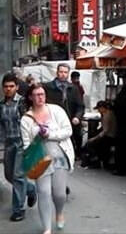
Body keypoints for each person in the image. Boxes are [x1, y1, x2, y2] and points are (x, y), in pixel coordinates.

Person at [21, 84, 75, 234]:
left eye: (42, 94)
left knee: (59, 194)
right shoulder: (26, 119)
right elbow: (26, 144)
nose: (40, 97)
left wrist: (49, 134)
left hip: (59, 156)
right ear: (30, 97)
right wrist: (37, 138)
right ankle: (47, 228)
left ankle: (59, 212)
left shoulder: (56, 110)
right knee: (43, 192)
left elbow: (68, 130)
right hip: (40, 159)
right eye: (37, 95)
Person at [0, 73, 37, 222]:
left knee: (17, 175)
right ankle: (30, 189)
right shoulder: (1, 105)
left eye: (11, 86)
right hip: (8, 143)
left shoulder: (23, 103)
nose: (8, 89)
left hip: (23, 142)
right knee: (9, 175)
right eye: (6, 87)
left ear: (17, 87)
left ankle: (18, 209)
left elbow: (31, 121)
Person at [43, 63, 85, 159]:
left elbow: (80, 106)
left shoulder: (73, 88)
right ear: (57, 73)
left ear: (68, 74)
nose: (63, 74)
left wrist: (77, 117)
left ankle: (73, 155)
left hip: (70, 120)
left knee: (74, 138)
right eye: (61, 72)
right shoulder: (47, 87)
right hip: (53, 121)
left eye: (65, 72)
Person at [83, 100, 117, 169]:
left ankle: (95, 161)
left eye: (99, 109)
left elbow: (105, 130)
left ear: (102, 108)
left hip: (109, 137)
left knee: (91, 144)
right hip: (112, 135)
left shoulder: (107, 116)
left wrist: (95, 138)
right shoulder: (110, 113)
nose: (98, 111)